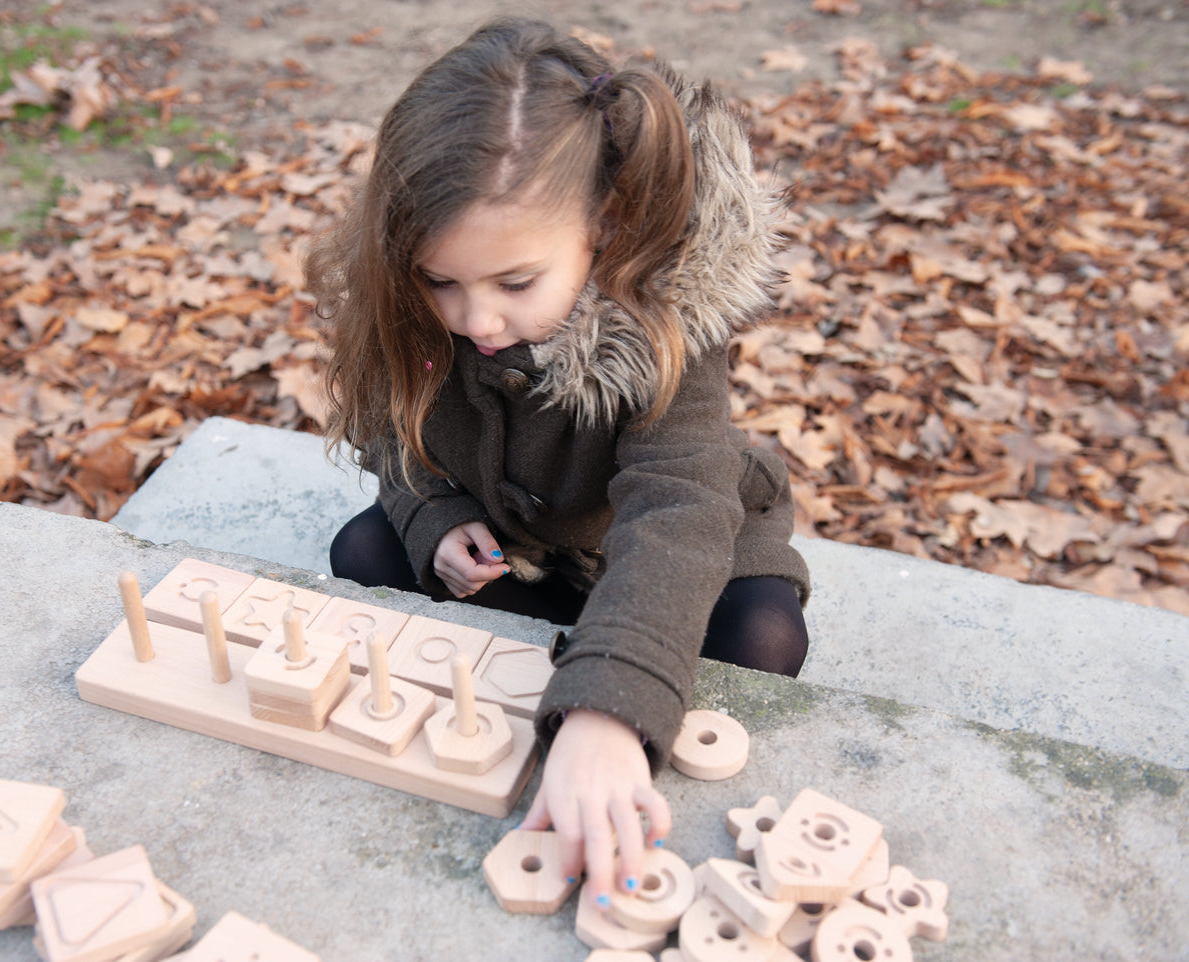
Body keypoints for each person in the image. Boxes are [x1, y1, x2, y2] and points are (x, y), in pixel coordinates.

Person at [307, 17, 811, 909]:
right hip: (527, 542)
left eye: (513, 285)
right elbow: (397, 431)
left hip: (675, 549)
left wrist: (608, 713)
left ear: (605, 229)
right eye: (440, 282)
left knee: (761, 642)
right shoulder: (417, 304)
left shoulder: (665, 325)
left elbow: (680, 505)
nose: (475, 320)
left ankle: (604, 663)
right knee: (368, 555)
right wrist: (433, 513)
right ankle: (569, 644)